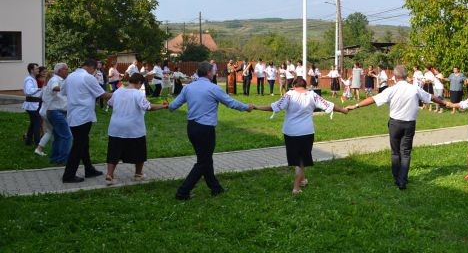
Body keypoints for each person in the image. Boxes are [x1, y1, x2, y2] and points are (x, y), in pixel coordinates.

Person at [347, 65, 446, 190]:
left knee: (395, 152)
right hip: (409, 124)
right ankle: (402, 180)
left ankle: (397, 178)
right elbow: (431, 97)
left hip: (395, 124)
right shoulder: (414, 89)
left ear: (395, 76)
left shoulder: (391, 90)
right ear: (406, 76)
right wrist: (444, 103)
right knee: (405, 153)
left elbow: (373, 99)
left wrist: (355, 106)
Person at [168, 61, 253, 200]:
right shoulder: (213, 88)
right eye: (213, 71)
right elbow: (230, 103)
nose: (214, 73)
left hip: (192, 128)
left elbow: (173, 106)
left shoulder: (189, 88)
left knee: (205, 159)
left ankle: (215, 188)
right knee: (203, 161)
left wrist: (166, 105)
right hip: (205, 129)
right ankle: (183, 192)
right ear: (208, 73)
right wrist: (246, 107)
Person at [254, 77, 348, 194]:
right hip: (306, 132)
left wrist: (256, 107)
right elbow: (329, 105)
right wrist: (343, 110)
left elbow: (274, 107)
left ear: (294, 86)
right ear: (305, 86)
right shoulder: (312, 95)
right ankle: (296, 188)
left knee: (297, 160)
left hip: (290, 132)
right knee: (301, 161)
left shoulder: (289, 95)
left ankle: (302, 180)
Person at [105, 73, 168, 185]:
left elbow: (110, 104)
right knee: (139, 151)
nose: (140, 87)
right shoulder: (138, 93)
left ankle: (109, 175)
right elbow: (148, 107)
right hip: (133, 128)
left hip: (116, 127)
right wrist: (163, 106)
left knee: (113, 151)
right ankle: (138, 174)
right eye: (141, 84)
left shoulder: (118, 91)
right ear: (139, 82)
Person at [61, 58, 112, 183]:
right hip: (83, 116)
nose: (95, 73)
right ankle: (68, 175)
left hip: (73, 115)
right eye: (95, 70)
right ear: (91, 67)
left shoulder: (70, 76)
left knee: (83, 143)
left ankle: (89, 169)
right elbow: (102, 94)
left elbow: (63, 91)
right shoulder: (88, 77)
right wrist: (121, 93)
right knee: (78, 146)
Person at [42, 63, 72, 164]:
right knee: (67, 136)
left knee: (58, 136)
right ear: (60, 70)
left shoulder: (61, 80)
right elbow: (54, 88)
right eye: (66, 69)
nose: (68, 71)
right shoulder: (55, 79)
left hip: (56, 112)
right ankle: (63, 159)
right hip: (56, 112)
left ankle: (55, 158)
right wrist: (68, 88)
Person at [34, 69, 54, 157]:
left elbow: (39, 96)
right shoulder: (51, 88)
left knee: (50, 131)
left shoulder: (45, 87)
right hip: (48, 112)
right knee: (51, 131)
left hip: (43, 111)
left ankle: (42, 149)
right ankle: (40, 148)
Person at [22, 63, 42, 146]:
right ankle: (38, 143)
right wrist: (40, 89)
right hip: (32, 105)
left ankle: (28, 140)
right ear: (31, 70)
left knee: (33, 123)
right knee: (37, 123)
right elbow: (29, 90)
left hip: (33, 104)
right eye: (36, 68)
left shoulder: (32, 79)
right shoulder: (29, 79)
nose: (38, 70)